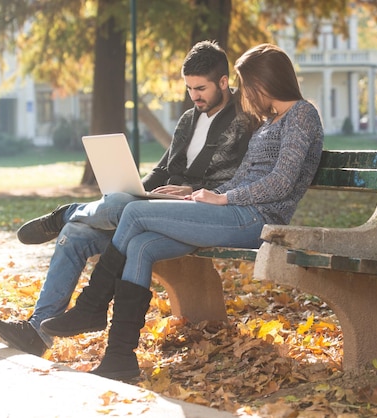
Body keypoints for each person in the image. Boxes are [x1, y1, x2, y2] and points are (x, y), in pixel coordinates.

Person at [40, 43, 325, 380]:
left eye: (246, 85)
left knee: (133, 213)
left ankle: (92, 306)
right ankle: (120, 357)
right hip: (235, 211)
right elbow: (245, 177)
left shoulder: (301, 115)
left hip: (258, 219)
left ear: (265, 82)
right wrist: (205, 196)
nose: (243, 93)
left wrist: (224, 199)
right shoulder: (270, 120)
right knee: (141, 244)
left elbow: (280, 183)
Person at [0, 40, 252, 356]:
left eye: (201, 88)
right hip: (155, 206)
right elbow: (164, 169)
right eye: (189, 88)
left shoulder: (243, 121)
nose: (194, 96)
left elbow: (242, 179)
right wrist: (136, 189)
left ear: (223, 82)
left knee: (119, 208)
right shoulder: (189, 120)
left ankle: (67, 212)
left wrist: (191, 191)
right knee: (76, 233)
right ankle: (37, 332)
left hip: (197, 213)